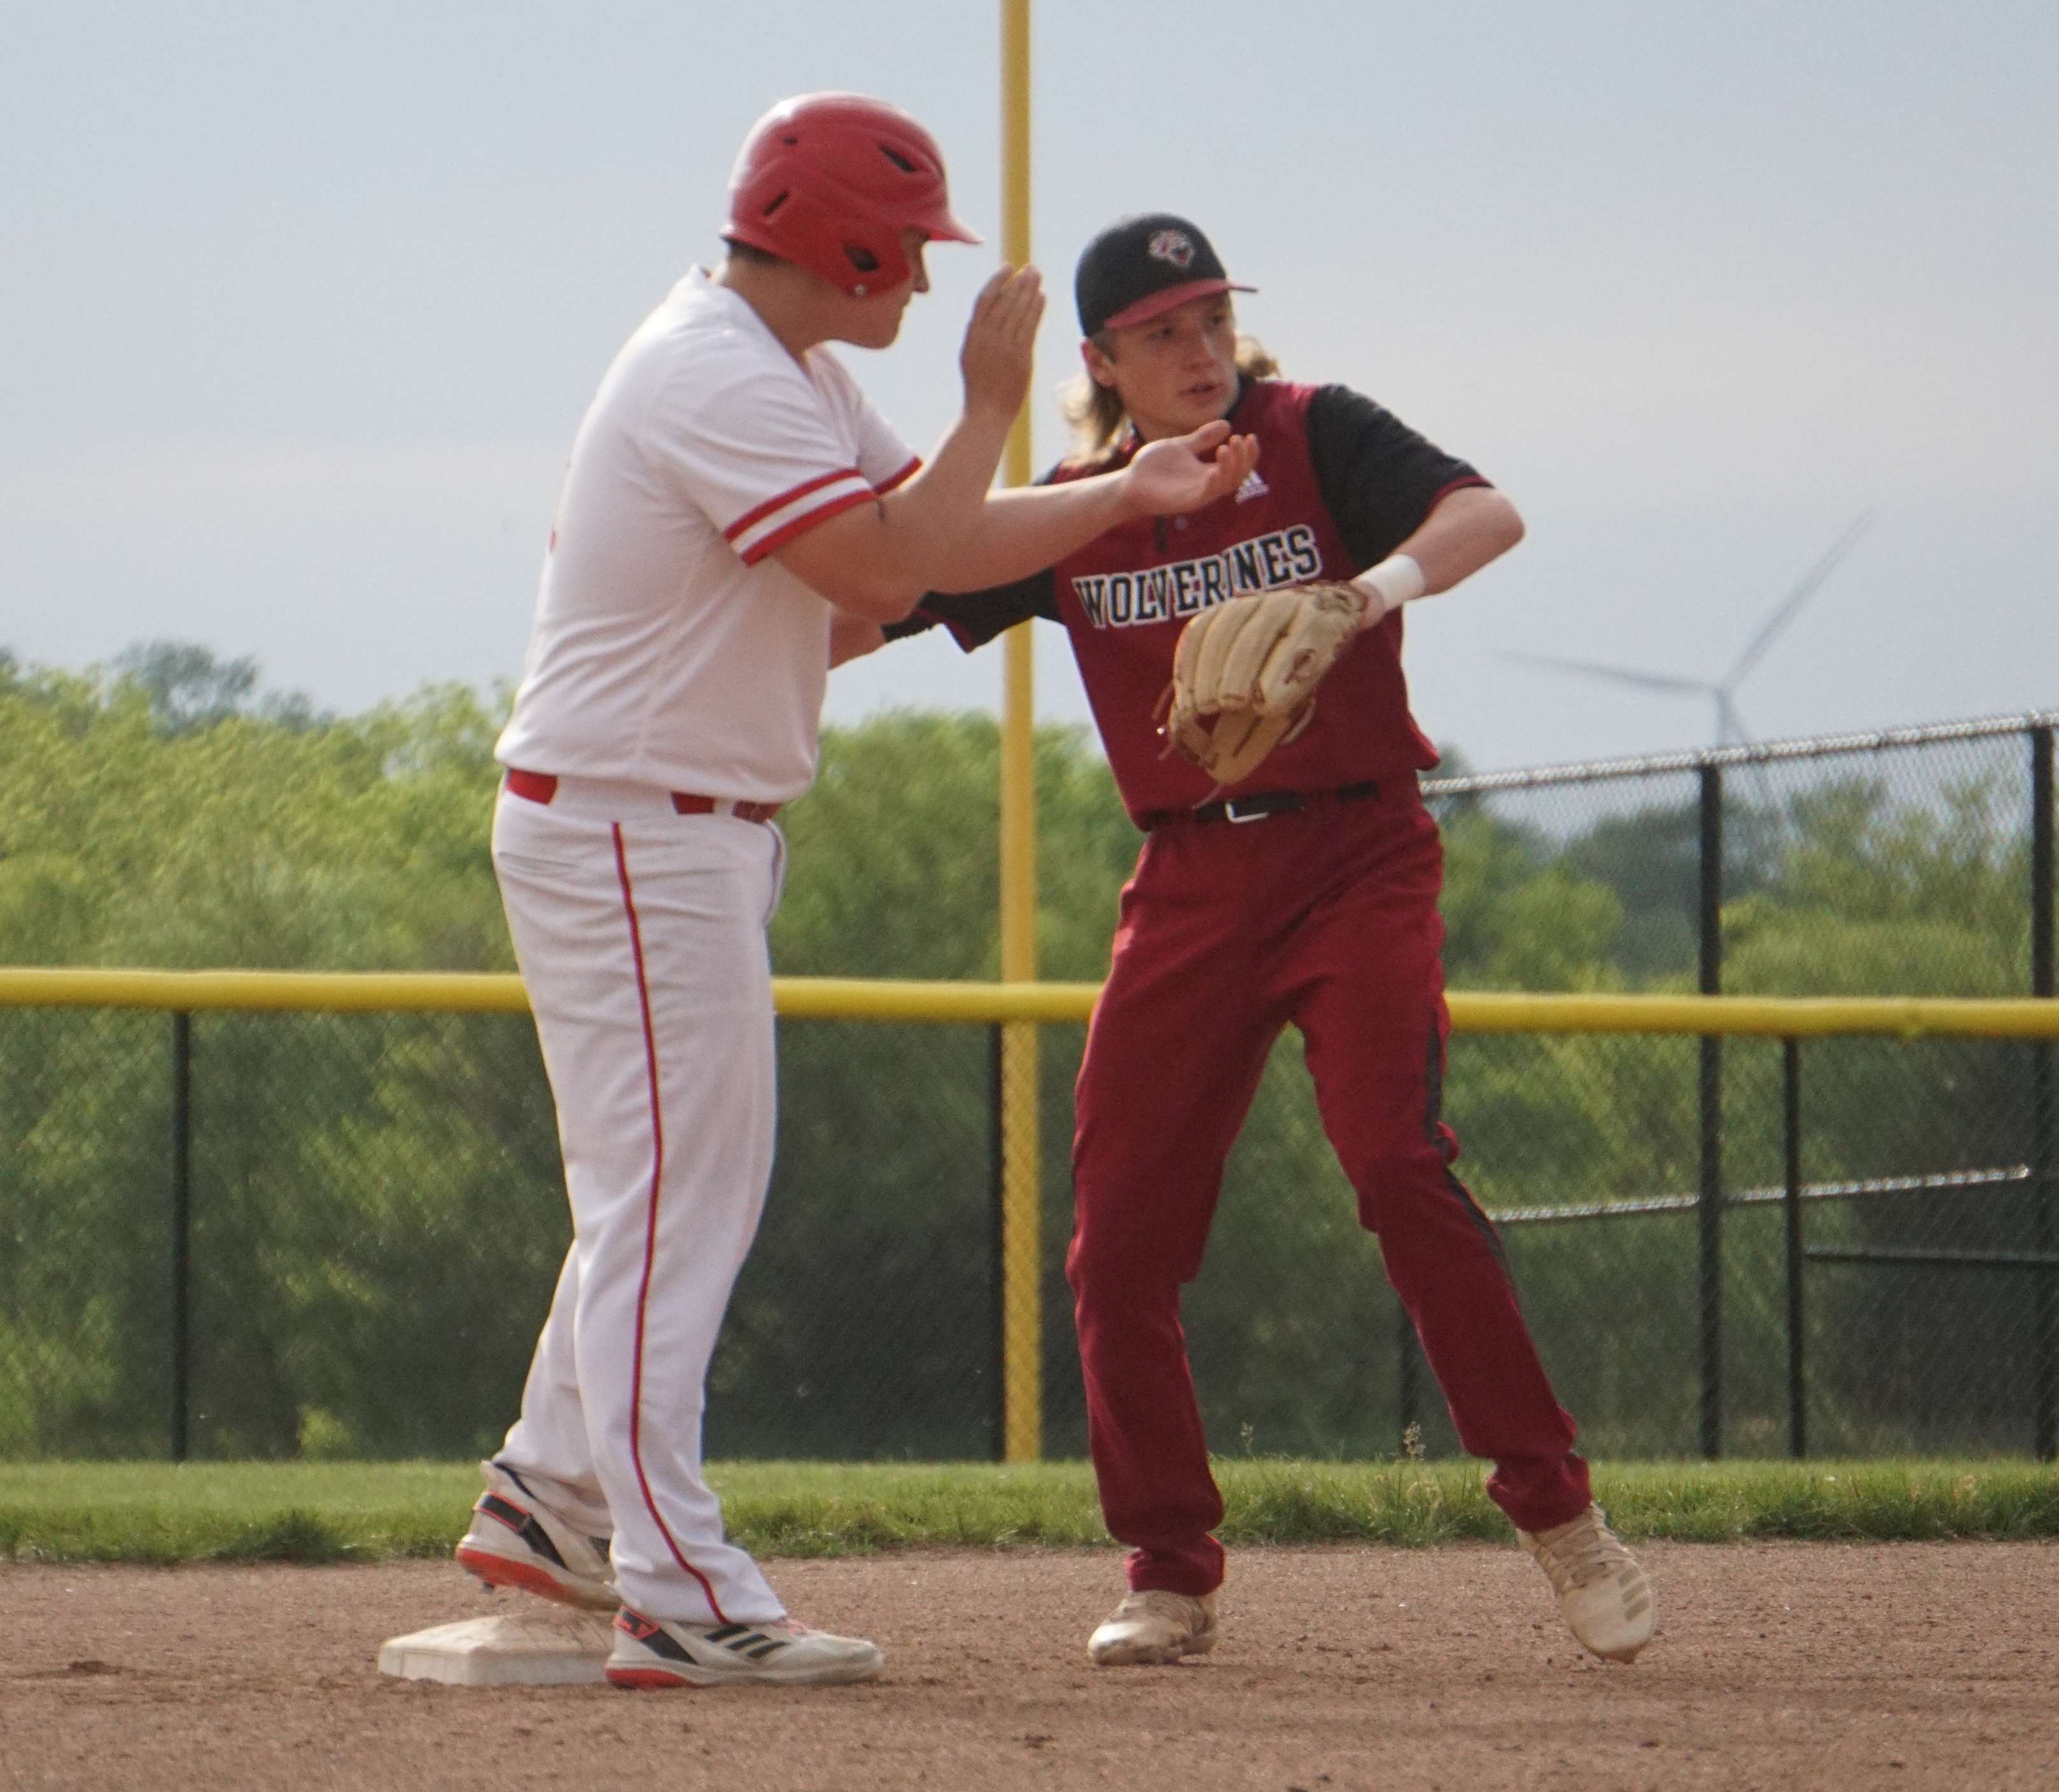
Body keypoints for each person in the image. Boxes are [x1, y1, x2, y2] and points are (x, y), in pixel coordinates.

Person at [455, 116, 1257, 1691]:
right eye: (911, 248)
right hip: (634, 826)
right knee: (675, 1205)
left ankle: (553, 1500)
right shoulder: (718, 375)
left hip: (658, 825)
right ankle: (677, 1586)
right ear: (853, 250)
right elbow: (885, 578)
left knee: (659, 1193)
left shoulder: (784, 369)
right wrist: (985, 406)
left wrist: (1115, 489)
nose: (921, 278)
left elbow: (941, 544)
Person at [863, 212, 1655, 1668]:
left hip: (1357, 853)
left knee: (1397, 1164)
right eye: (1162, 331)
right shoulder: (1074, 508)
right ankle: (1168, 1566)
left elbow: (1485, 514)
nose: (1201, 348)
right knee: (1118, 1246)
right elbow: (871, 606)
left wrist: (1363, 592)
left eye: (1212, 317)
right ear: (1099, 360)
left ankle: (1560, 1515)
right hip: (1186, 883)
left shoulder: (1312, 431)